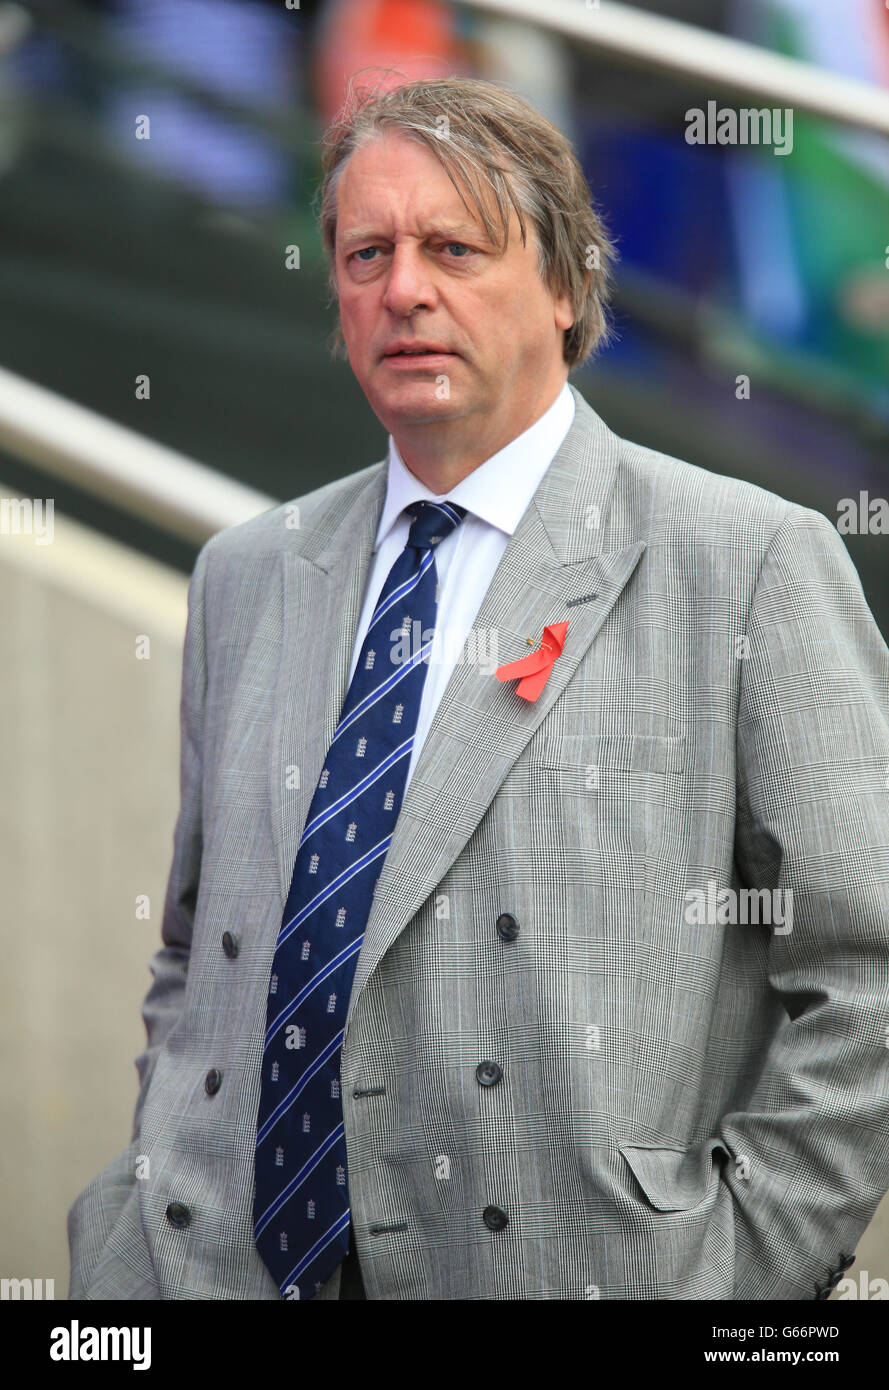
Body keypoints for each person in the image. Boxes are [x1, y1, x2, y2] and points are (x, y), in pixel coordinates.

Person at [68, 76, 889, 1301]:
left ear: (566, 287)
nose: (403, 288)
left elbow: (866, 967)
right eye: (366, 254)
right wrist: (141, 1207)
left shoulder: (744, 560)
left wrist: (734, 1274)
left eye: (453, 247)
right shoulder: (248, 573)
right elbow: (200, 947)